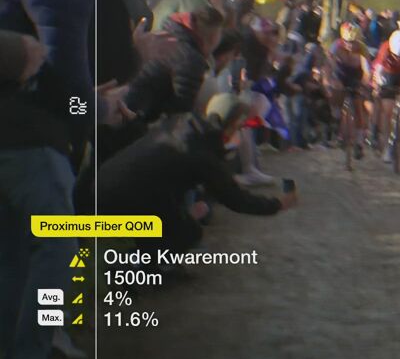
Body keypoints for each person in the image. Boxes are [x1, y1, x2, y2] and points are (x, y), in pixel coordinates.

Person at [0, 0, 125, 359]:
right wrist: (100, 111)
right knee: (59, 247)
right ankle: (31, 358)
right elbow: (66, 88)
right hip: (23, 136)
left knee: (13, 251)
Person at [97, 93, 298, 254]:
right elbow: (235, 199)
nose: (240, 134)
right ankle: (129, 267)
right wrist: (277, 204)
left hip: (97, 195)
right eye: (239, 127)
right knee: (188, 233)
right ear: (228, 125)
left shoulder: (181, 122)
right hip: (110, 218)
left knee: (179, 218)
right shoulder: (204, 156)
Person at [124, 6, 225, 124]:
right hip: (135, 114)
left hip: (124, 97)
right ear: (213, 38)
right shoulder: (191, 59)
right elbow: (181, 109)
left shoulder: (166, 34)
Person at [327, 21, 372, 160]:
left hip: (356, 75)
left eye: (353, 42)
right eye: (347, 42)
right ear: (342, 39)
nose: (350, 45)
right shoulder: (336, 46)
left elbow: (367, 71)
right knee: (336, 94)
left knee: (358, 106)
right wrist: (331, 79)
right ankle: (336, 121)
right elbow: (329, 64)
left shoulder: (362, 48)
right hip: (340, 73)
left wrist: (363, 84)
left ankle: (359, 143)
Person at [370, 30, 400, 155]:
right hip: (386, 73)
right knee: (386, 109)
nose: (397, 58)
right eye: (395, 55)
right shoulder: (385, 49)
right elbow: (378, 72)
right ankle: (384, 138)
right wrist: (378, 86)